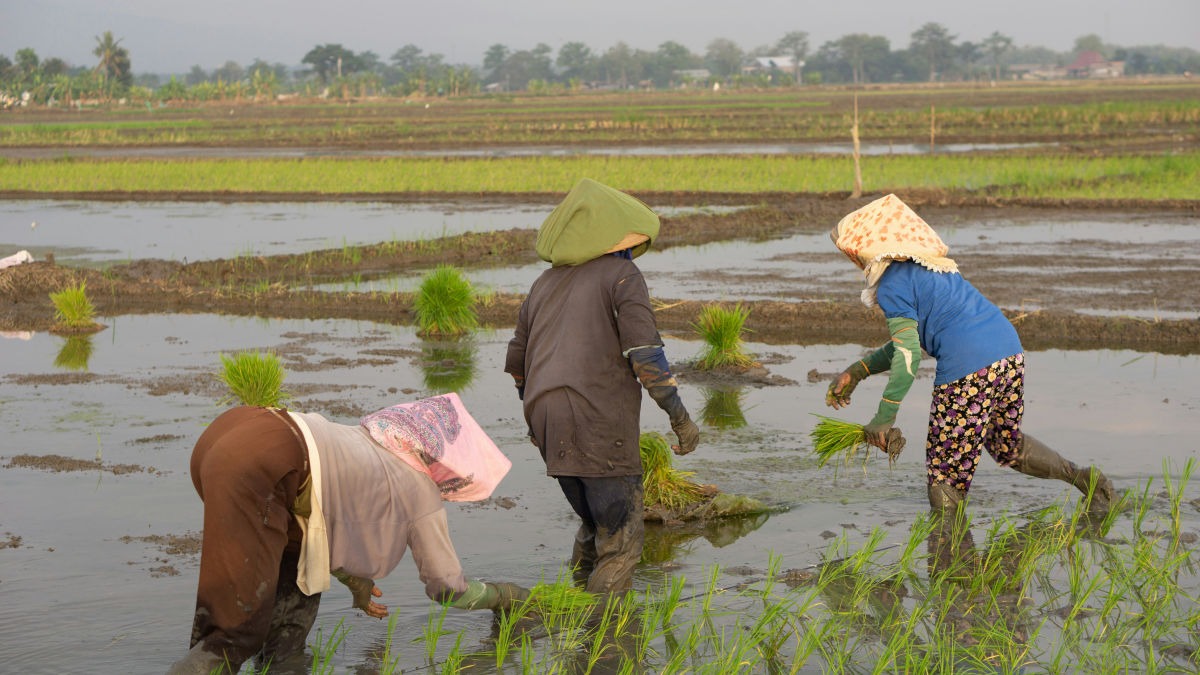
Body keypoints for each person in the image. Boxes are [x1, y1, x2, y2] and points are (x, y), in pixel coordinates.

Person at [168, 393, 529, 674]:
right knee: (234, 633)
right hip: (269, 460)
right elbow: (448, 588)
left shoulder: (367, 439)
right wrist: (506, 596)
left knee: (298, 571)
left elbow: (324, 526)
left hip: (231, 430)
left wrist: (355, 582)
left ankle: (282, 662)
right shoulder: (420, 489)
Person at [824, 194, 1115, 517]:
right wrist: (859, 370)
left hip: (969, 370)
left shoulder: (892, 285)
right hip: (1008, 354)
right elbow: (910, 340)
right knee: (1008, 445)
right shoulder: (929, 268)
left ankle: (949, 552)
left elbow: (909, 357)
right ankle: (1082, 478)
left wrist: (884, 416)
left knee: (945, 473)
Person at [505, 178, 700, 595]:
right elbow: (646, 356)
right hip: (597, 419)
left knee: (594, 525)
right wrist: (682, 421)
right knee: (622, 542)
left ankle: (575, 619)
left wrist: (539, 415)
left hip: (546, 420)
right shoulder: (622, 276)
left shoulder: (543, 284)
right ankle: (606, 641)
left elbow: (517, 364)